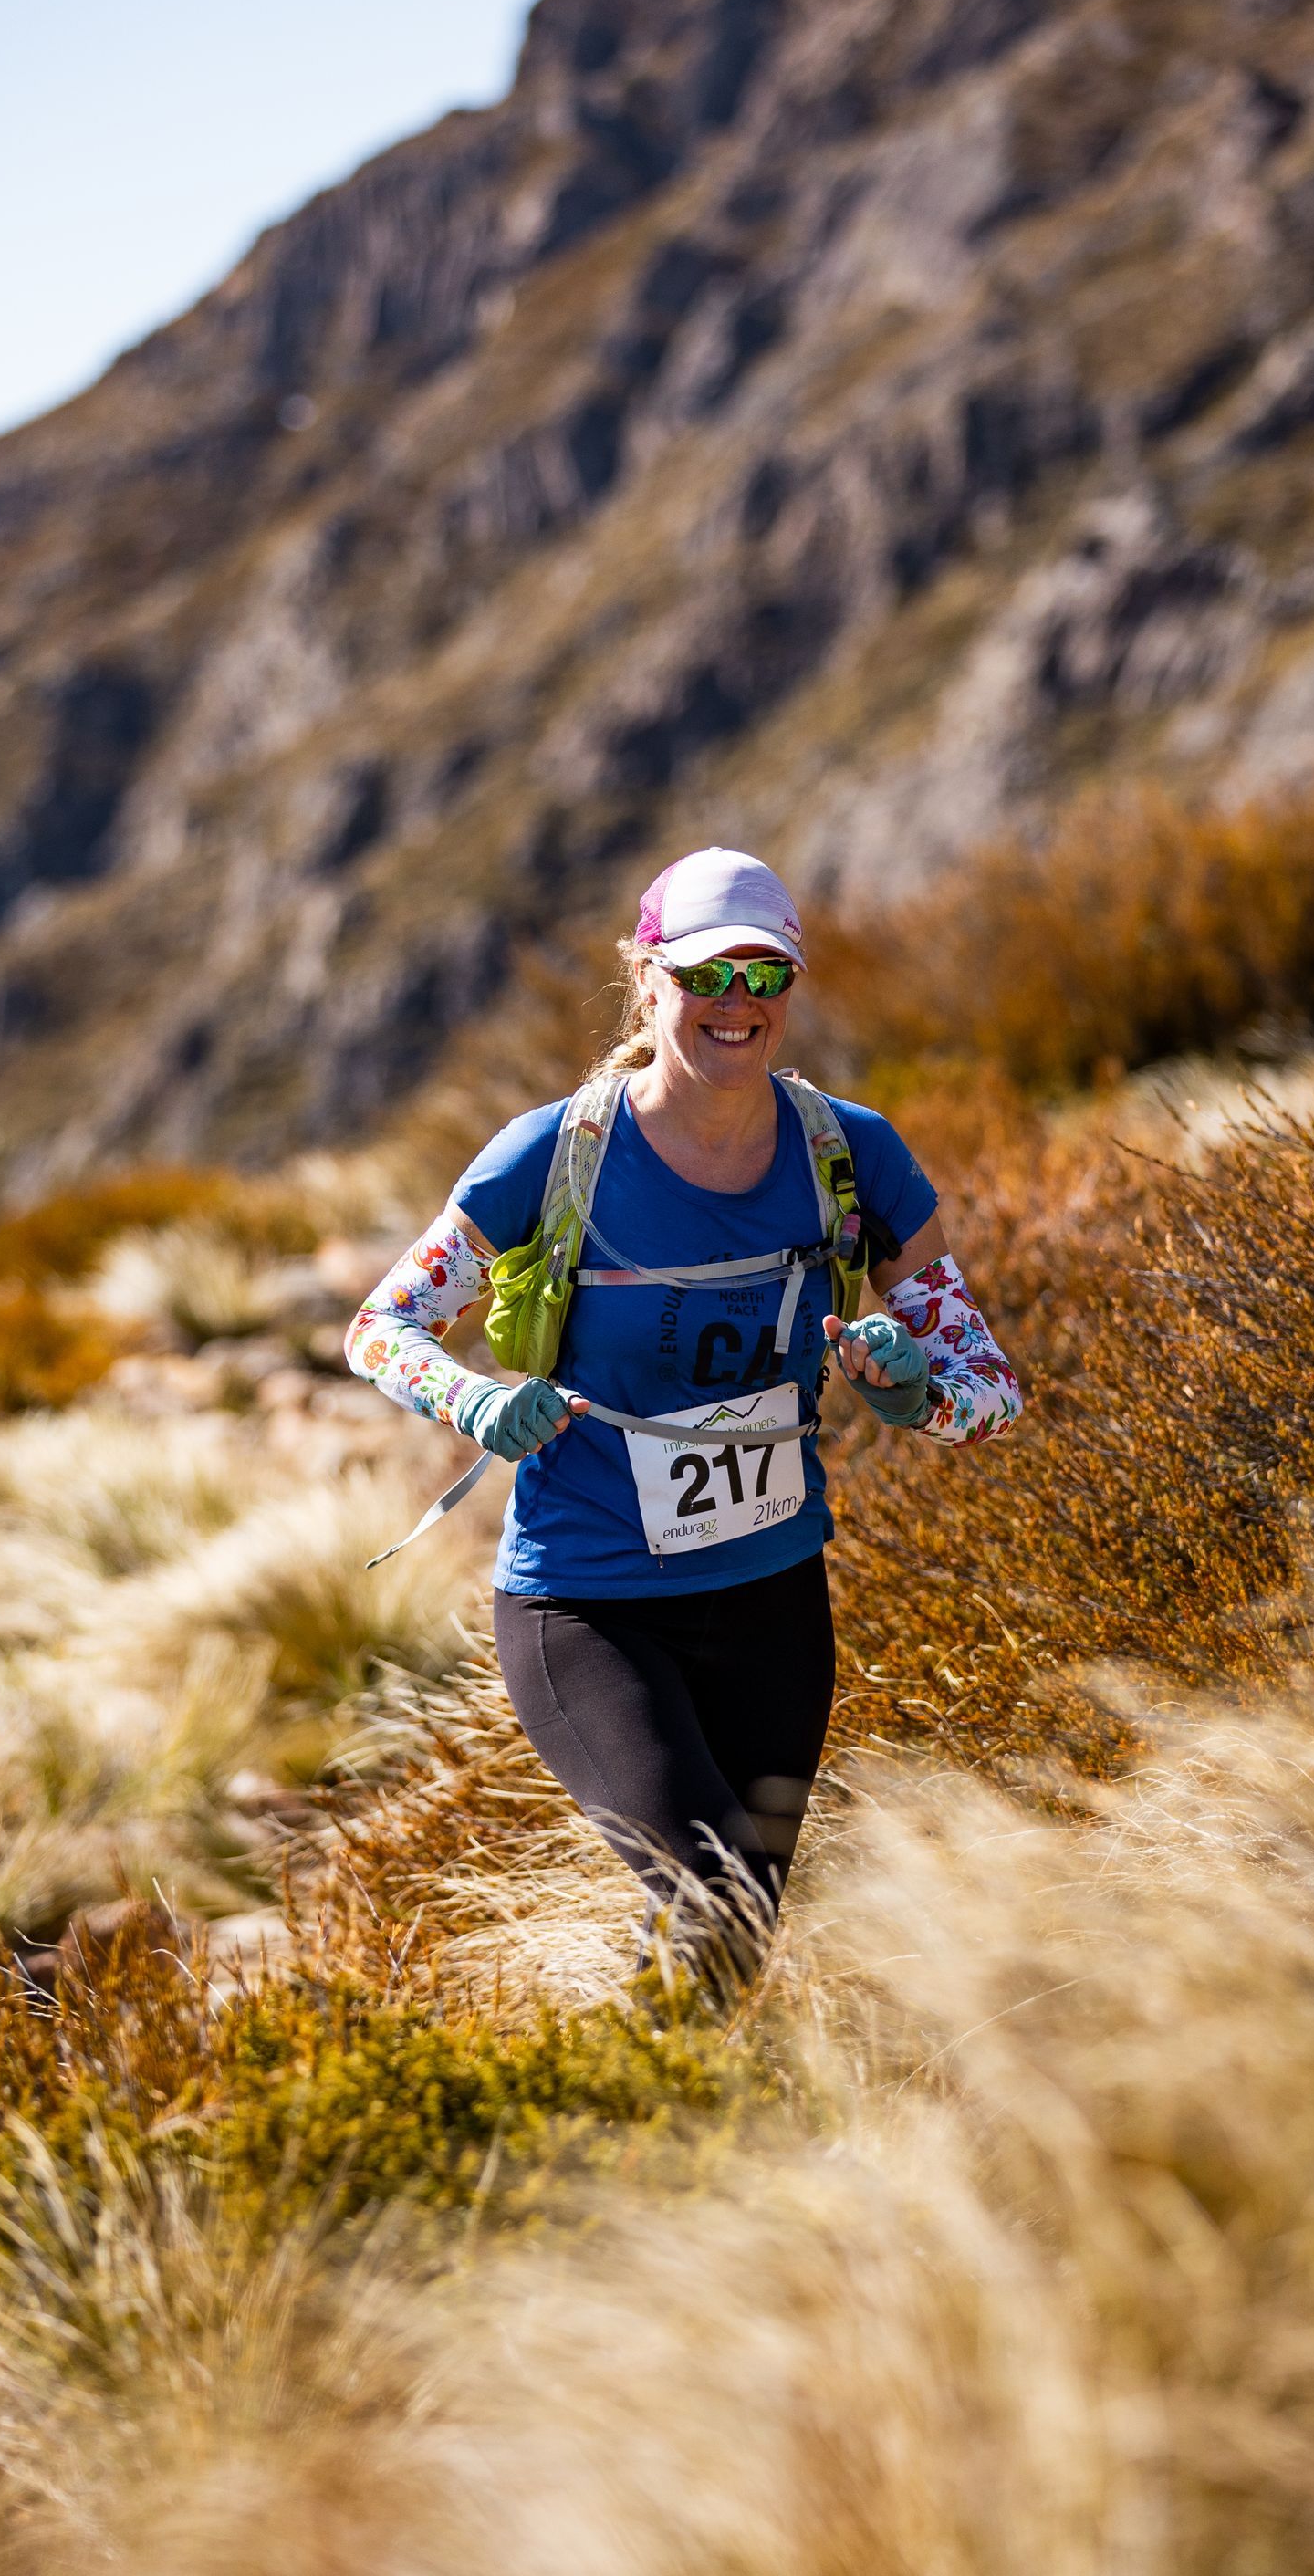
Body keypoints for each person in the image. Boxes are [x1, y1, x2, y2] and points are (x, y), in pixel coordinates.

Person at [347, 847, 1022, 1986]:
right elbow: (380, 1329)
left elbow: (990, 1391)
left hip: (773, 1603)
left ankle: (653, 2129)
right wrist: (475, 1399)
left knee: (734, 1937)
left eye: (767, 977)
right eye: (709, 975)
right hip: (591, 1605)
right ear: (649, 980)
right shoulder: (555, 1155)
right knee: (716, 1899)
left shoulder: (851, 1155)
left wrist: (919, 1393)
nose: (738, 1004)